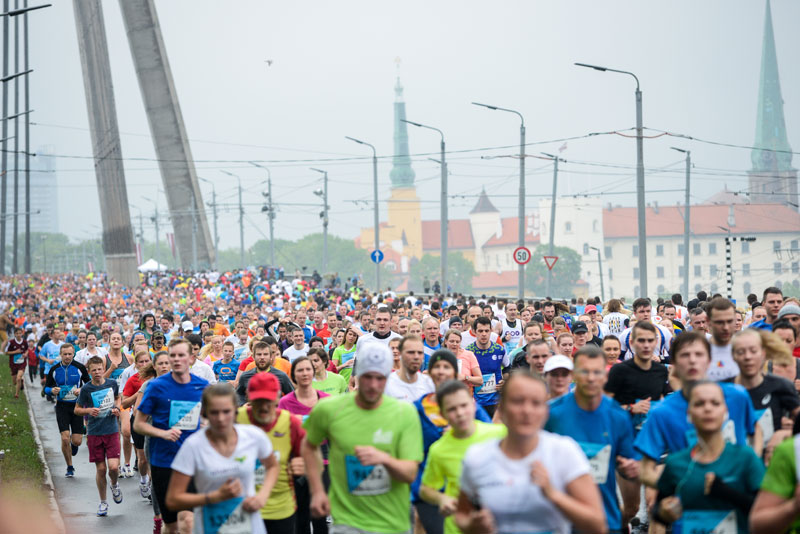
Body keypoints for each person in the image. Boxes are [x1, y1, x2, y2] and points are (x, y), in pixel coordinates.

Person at [455, 370, 607, 534]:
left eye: (536, 403)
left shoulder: (564, 451)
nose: (527, 411)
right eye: (518, 401)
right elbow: (462, 514)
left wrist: (553, 494)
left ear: (545, 410)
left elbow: (597, 525)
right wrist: (472, 526)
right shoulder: (477, 457)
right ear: (502, 408)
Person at [302, 342, 424, 534]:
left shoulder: (405, 413)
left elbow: (410, 473)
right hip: (346, 521)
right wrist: (317, 491)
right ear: (357, 375)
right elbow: (309, 445)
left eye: (380, 378)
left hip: (392, 523)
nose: (373, 385)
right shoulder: (328, 409)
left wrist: (383, 459)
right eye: (367, 377)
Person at [635, 332, 759, 493]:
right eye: (685, 355)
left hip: (737, 498)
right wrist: (676, 489)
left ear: (709, 361)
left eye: (699, 354)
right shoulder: (662, 411)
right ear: (674, 363)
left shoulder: (737, 396)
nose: (692, 360)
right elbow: (645, 469)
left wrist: (753, 465)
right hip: (689, 509)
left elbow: (755, 430)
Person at [546, 345, 639, 534]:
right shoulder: (551, 413)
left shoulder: (617, 416)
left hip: (604, 520)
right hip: (558, 521)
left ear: (605, 376)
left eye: (596, 372)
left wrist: (628, 511)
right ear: (574, 375)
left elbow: (630, 469)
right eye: (584, 371)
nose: (590, 378)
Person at [166, 383, 279, 534]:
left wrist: (262, 496)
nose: (220, 418)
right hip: (210, 526)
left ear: (236, 410)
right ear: (204, 413)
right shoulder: (193, 446)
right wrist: (214, 497)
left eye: (226, 412)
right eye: (214, 412)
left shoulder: (253, 436)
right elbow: (173, 499)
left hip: (249, 526)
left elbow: (272, 466)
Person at [654, 381, 764, 534]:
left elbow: (765, 510)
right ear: (689, 413)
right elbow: (658, 511)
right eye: (699, 404)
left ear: (725, 411)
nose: (707, 408)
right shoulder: (676, 463)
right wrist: (664, 513)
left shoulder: (746, 458)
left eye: (715, 403)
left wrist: (726, 492)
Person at [134, 339, 209, 534]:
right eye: (172, 355)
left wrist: (206, 425)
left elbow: (213, 420)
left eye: (181, 355)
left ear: (191, 358)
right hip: (164, 461)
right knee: (172, 525)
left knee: (188, 520)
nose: (176, 359)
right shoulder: (156, 386)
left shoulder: (203, 387)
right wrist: (163, 433)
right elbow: (138, 424)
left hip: (193, 462)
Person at [420, 378, 505, 534]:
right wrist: (442, 499)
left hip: (497, 524)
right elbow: (426, 489)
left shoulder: (498, 434)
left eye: (464, 406)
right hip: (457, 527)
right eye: (452, 409)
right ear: (442, 413)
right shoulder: (439, 450)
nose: (459, 413)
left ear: (473, 404)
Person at [239, 369, 306, 534]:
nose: (263, 407)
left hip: (280, 509)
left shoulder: (290, 423)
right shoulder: (236, 419)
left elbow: (311, 459)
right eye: (258, 400)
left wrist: (303, 468)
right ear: (248, 396)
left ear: (278, 396)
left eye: (268, 400)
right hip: (241, 507)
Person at [732, 328, 800, 458]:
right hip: (736, 463)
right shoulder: (725, 389)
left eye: (753, 351)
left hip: (772, 459)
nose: (748, 357)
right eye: (741, 352)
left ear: (763, 353)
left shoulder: (780, 385)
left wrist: (788, 432)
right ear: (733, 356)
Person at [75, 356, 124, 516]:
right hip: (95, 432)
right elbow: (77, 409)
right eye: (93, 370)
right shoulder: (86, 389)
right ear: (89, 372)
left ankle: (115, 484)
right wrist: (88, 411)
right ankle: (103, 502)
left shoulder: (111, 384)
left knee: (114, 467)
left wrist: (117, 407)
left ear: (104, 369)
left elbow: (118, 398)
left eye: (99, 369)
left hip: (111, 430)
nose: (97, 372)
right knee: (101, 469)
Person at [44, 342, 90, 477]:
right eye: (65, 354)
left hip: (77, 407)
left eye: (70, 354)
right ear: (60, 354)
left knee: (77, 441)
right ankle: (70, 466)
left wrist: (81, 390)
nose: (67, 356)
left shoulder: (79, 368)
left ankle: (74, 444)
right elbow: (45, 389)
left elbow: (88, 384)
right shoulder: (54, 369)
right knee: (64, 438)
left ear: (73, 354)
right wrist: (52, 390)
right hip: (62, 407)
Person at [466, 316, 507, 416]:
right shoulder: (468, 352)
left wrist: (505, 381)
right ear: (474, 332)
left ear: (491, 331)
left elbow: (508, 368)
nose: (484, 334)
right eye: (480, 331)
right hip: (476, 402)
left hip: (496, 401)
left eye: (486, 331)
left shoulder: (499, 350)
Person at [384, 335, 435, 402]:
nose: (416, 357)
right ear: (400, 353)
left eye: (420, 353)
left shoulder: (429, 383)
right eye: (411, 352)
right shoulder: (387, 384)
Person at [706, 297, 739, 381]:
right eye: (719, 322)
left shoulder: (746, 349)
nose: (725, 327)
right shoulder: (698, 351)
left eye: (729, 321)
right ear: (708, 321)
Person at [442, 328, 482, 393]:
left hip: (465, 397)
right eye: (452, 341)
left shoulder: (469, 355)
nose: (455, 344)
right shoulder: (440, 356)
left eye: (457, 342)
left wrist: (465, 377)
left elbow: (480, 380)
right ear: (446, 341)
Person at [6, 326, 28, 398]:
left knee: (18, 377)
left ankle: (16, 394)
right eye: (17, 333)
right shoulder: (11, 342)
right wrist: (15, 352)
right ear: (15, 334)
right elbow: (6, 352)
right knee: (15, 381)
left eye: (20, 333)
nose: (19, 335)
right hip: (13, 363)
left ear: (22, 334)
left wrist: (25, 354)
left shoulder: (24, 342)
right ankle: (21, 382)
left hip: (22, 363)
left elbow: (27, 350)